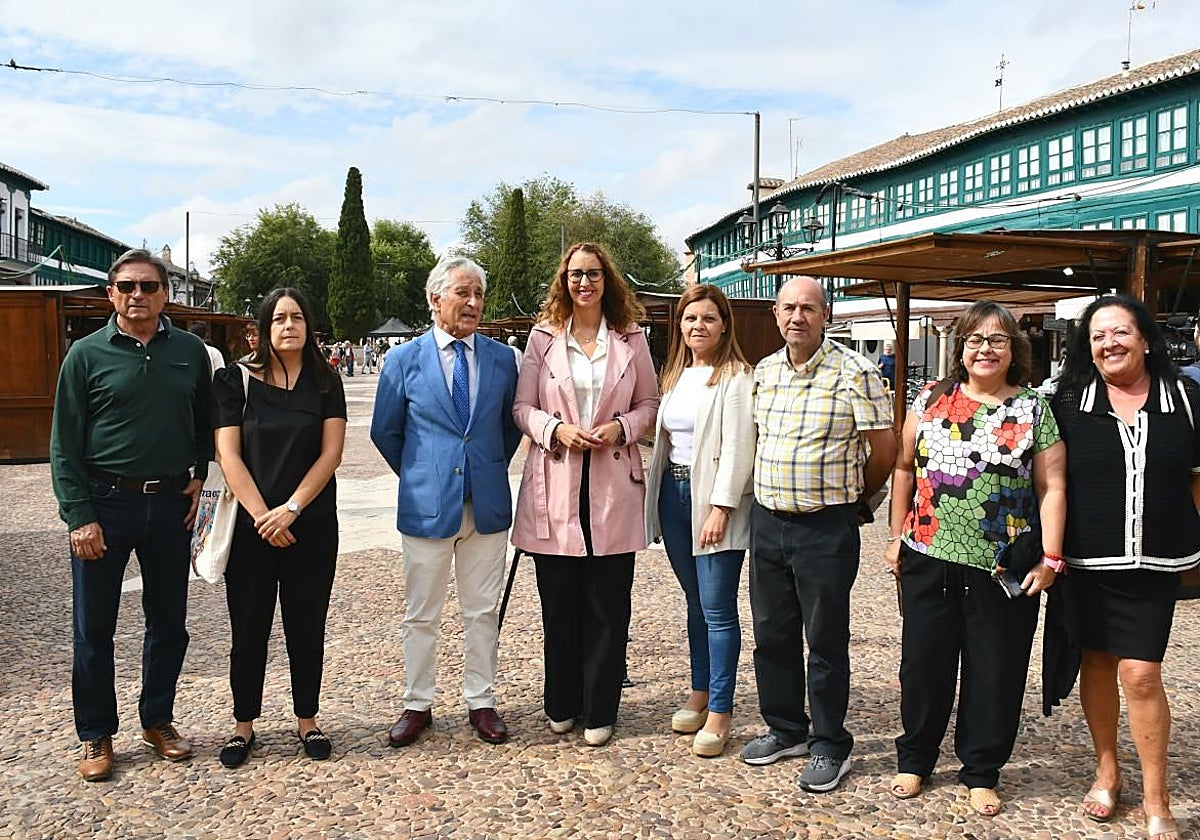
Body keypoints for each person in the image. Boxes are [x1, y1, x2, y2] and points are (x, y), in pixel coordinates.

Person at [884, 301, 1066, 815]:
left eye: (997, 340)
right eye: (975, 340)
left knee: (996, 670)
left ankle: (981, 770)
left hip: (1003, 565)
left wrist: (1051, 559)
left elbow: (1052, 487)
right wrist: (897, 534)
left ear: (1014, 350)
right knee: (923, 666)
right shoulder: (929, 399)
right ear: (960, 347)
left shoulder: (1033, 410)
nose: (985, 349)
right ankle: (915, 758)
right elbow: (903, 468)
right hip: (929, 556)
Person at [49, 248, 213, 782]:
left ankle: (157, 719)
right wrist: (79, 515)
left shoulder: (190, 351)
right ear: (110, 293)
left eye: (147, 286)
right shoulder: (86, 355)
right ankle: (96, 733)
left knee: (169, 623)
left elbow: (205, 422)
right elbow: (64, 443)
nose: (136, 295)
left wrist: (199, 474)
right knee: (93, 628)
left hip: (168, 505)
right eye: (126, 287)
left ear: (166, 293)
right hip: (105, 504)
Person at [1050, 295, 1200, 840]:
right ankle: (1107, 768)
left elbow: (1196, 478)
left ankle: (1158, 795)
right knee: (1095, 662)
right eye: (1097, 336)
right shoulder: (1065, 399)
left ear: (1145, 339)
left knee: (1140, 673)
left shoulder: (1184, 398)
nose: (1109, 343)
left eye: (1120, 333)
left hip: (1155, 559)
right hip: (1087, 559)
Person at [741, 275, 897, 793]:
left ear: (825, 315)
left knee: (825, 639)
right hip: (769, 521)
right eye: (788, 308)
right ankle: (785, 727)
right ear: (776, 314)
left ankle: (831, 744)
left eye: (808, 308)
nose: (796, 318)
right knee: (771, 634)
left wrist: (857, 502)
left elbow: (884, 450)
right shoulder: (764, 372)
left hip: (825, 526)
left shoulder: (856, 371)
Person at [512, 241, 659, 747]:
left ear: (606, 279)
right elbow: (521, 408)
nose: (584, 283)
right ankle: (562, 702)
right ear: (564, 280)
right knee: (559, 604)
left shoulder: (631, 337)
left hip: (613, 480)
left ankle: (601, 708)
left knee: (607, 605)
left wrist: (623, 427)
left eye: (593, 274)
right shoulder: (542, 339)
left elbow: (649, 402)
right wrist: (553, 428)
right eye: (575, 274)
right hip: (555, 479)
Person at [371, 256, 521, 748]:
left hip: (487, 507)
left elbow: (505, 430)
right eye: (463, 293)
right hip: (426, 506)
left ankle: (481, 700)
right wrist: (424, 475)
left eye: (478, 293)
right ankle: (418, 704)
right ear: (435, 299)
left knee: (482, 610)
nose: (474, 303)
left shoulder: (502, 359)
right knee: (422, 613)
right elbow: (385, 431)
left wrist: (482, 471)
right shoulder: (402, 360)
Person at [211, 288, 347, 768]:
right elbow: (228, 454)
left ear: (309, 326)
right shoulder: (234, 380)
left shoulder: (327, 382)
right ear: (264, 328)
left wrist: (290, 508)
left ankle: (307, 720)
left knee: (306, 626)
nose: (289, 326)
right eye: (278, 318)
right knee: (249, 629)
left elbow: (331, 454)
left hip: (310, 524)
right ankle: (243, 725)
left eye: (297, 318)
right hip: (253, 528)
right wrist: (262, 515)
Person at [644, 284, 754, 758]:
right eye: (690, 319)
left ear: (724, 324)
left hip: (711, 498)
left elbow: (738, 448)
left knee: (717, 608)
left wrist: (723, 506)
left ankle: (721, 711)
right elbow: (662, 438)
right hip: (673, 492)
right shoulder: (676, 375)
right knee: (693, 602)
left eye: (708, 318)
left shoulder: (736, 378)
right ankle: (699, 690)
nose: (698, 327)